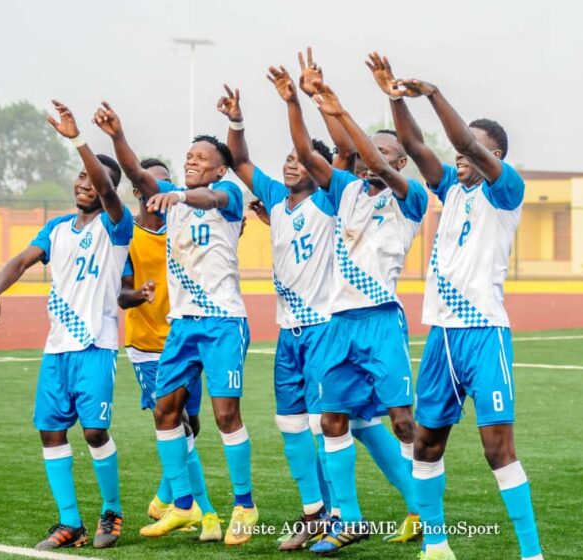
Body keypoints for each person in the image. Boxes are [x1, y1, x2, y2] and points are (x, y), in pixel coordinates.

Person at [369, 53, 543, 560]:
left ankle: (531, 553)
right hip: (442, 335)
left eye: (473, 150)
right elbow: (415, 146)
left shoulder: (506, 190)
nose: (459, 156)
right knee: (427, 444)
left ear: (495, 156)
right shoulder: (451, 186)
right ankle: (436, 544)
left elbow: (463, 142)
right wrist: (396, 98)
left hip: (484, 333)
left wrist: (434, 93)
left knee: (497, 449)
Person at [269, 63, 427, 554]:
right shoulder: (346, 191)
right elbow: (306, 155)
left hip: (380, 321)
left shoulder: (411, 198)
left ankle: (425, 510)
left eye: (383, 153)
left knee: (402, 421)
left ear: (401, 162)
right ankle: (349, 520)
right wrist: (297, 101)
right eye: (366, 152)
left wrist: (338, 110)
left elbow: (374, 161)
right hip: (337, 325)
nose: (370, 159)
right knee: (331, 421)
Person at [93, 101, 257, 545]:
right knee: (165, 411)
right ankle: (182, 505)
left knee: (225, 415)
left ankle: (245, 504)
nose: (191, 161)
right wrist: (117, 135)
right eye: (188, 155)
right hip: (182, 325)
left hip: (223, 321)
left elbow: (211, 198)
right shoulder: (170, 196)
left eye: (201, 157)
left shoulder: (229, 195)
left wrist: (180, 196)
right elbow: (135, 173)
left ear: (220, 169)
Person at [0, 101, 130, 550]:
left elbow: (107, 187)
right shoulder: (58, 228)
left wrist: (78, 140)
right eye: (81, 176)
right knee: (51, 432)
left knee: (95, 432)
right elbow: (21, 260)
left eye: (93, 180)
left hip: (96, 345)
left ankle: (112, 512)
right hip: (57, 349)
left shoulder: (116, 226)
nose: (85, 183)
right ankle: (70, 523)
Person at [218, 82, 335, 550]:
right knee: (290, 426)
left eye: (299, 159)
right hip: (289, 333)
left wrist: (294, 103)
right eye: (287, 157)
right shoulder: (274, 198)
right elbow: (239, 160)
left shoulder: (329, 198)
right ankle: (313, 513)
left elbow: (329, 155)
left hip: (325, 328)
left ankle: (340, 516)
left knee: (326, 427)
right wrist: (236, 119)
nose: (290, 163)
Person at [116, 157, 221, 541]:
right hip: (147, 347)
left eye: (166, 184)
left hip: (185, 341)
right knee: (176, 423)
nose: (160, 191)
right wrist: (139, 295)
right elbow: (121, 294)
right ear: (138, 190)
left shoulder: (183, 224)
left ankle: (165, 498)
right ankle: (204, 513)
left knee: (192, 425)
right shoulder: (127, 234)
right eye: (152, 184)